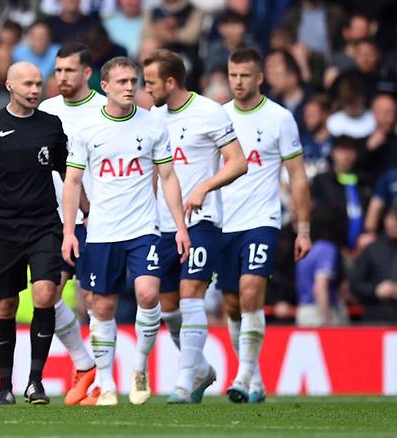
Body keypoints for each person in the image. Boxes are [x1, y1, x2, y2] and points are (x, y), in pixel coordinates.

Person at [62, 56, 190, 406]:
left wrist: (179, 226)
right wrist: (70, 231)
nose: (130, 87)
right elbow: (72, 181)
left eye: (134, 81)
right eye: (122, 82)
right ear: (104, 86)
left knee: (149, 294)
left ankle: (139, 368)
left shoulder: (152, 126)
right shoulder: (87, 130)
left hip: (144, 229)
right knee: (101, 307)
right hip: (102, 231)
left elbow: (168, 177)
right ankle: (106, 384)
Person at [141, 49, 247, 404]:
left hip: (202, 222)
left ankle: (184, 383)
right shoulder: (154, 117)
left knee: (191, 295)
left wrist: (204, 186)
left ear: (170, 82)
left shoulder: (209, 112)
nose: (145, 88)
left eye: (150, 82)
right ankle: (199, 366)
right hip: (161, 224)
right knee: (166, 303)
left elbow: (238, 162)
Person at [0, 62, 67, 405]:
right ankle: (4, 386)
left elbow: (68, 173)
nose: (35, 89)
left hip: (44, 224)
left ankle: (35, 382)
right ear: (10, 85)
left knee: (44, 294)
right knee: (6, 305)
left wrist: (80, 215)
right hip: (5, 228)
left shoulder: (52, 127)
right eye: (28, 84)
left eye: (39, 83)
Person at [221, 48, 311, 403]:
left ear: (260, 78)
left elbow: (298, 176)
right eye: (233, 75)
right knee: (231, 304)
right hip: (223, 222)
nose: (238, 82)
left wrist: (303, 228)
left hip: (262, 220)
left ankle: (242, 376)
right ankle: (255, 376)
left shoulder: (280, 118)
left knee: (249, 293)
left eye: (245, 75)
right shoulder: (219, 117)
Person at [38, 42, 106, 406]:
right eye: (57, 70)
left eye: (68, 70)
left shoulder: (104, 110)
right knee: (46, 295)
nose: (61, 76)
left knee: (95, 300)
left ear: (86, 74)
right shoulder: (47, 111)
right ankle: (84, 362)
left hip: (98, 221)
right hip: (55, 220)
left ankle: (99, 383)